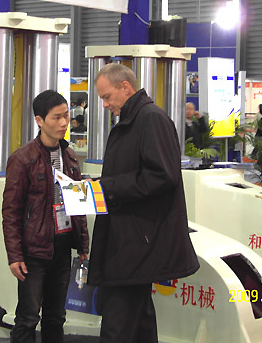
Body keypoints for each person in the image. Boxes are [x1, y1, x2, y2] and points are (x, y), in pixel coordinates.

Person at [88, 64, 199, 343]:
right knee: (140, 322)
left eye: (107, 96)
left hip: (137, 242)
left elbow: (163, 175)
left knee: (118, 323)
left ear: (125, 87)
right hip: (132, 238)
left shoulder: (150, 120)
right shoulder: (133, 121)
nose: (105, 105)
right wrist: (99, 185)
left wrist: (109, 187)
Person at [2, 90, 89, 343]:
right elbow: (11, 211)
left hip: (62, 246)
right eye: (56, 117)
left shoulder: (70, 156)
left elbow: (78, 204)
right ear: (39, 120)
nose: (63, 123)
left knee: (56, 317)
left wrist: (83, 244)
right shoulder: (22, 159)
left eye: (66, 116)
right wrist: (15, 255)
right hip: (34, 250)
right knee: (28, 317)